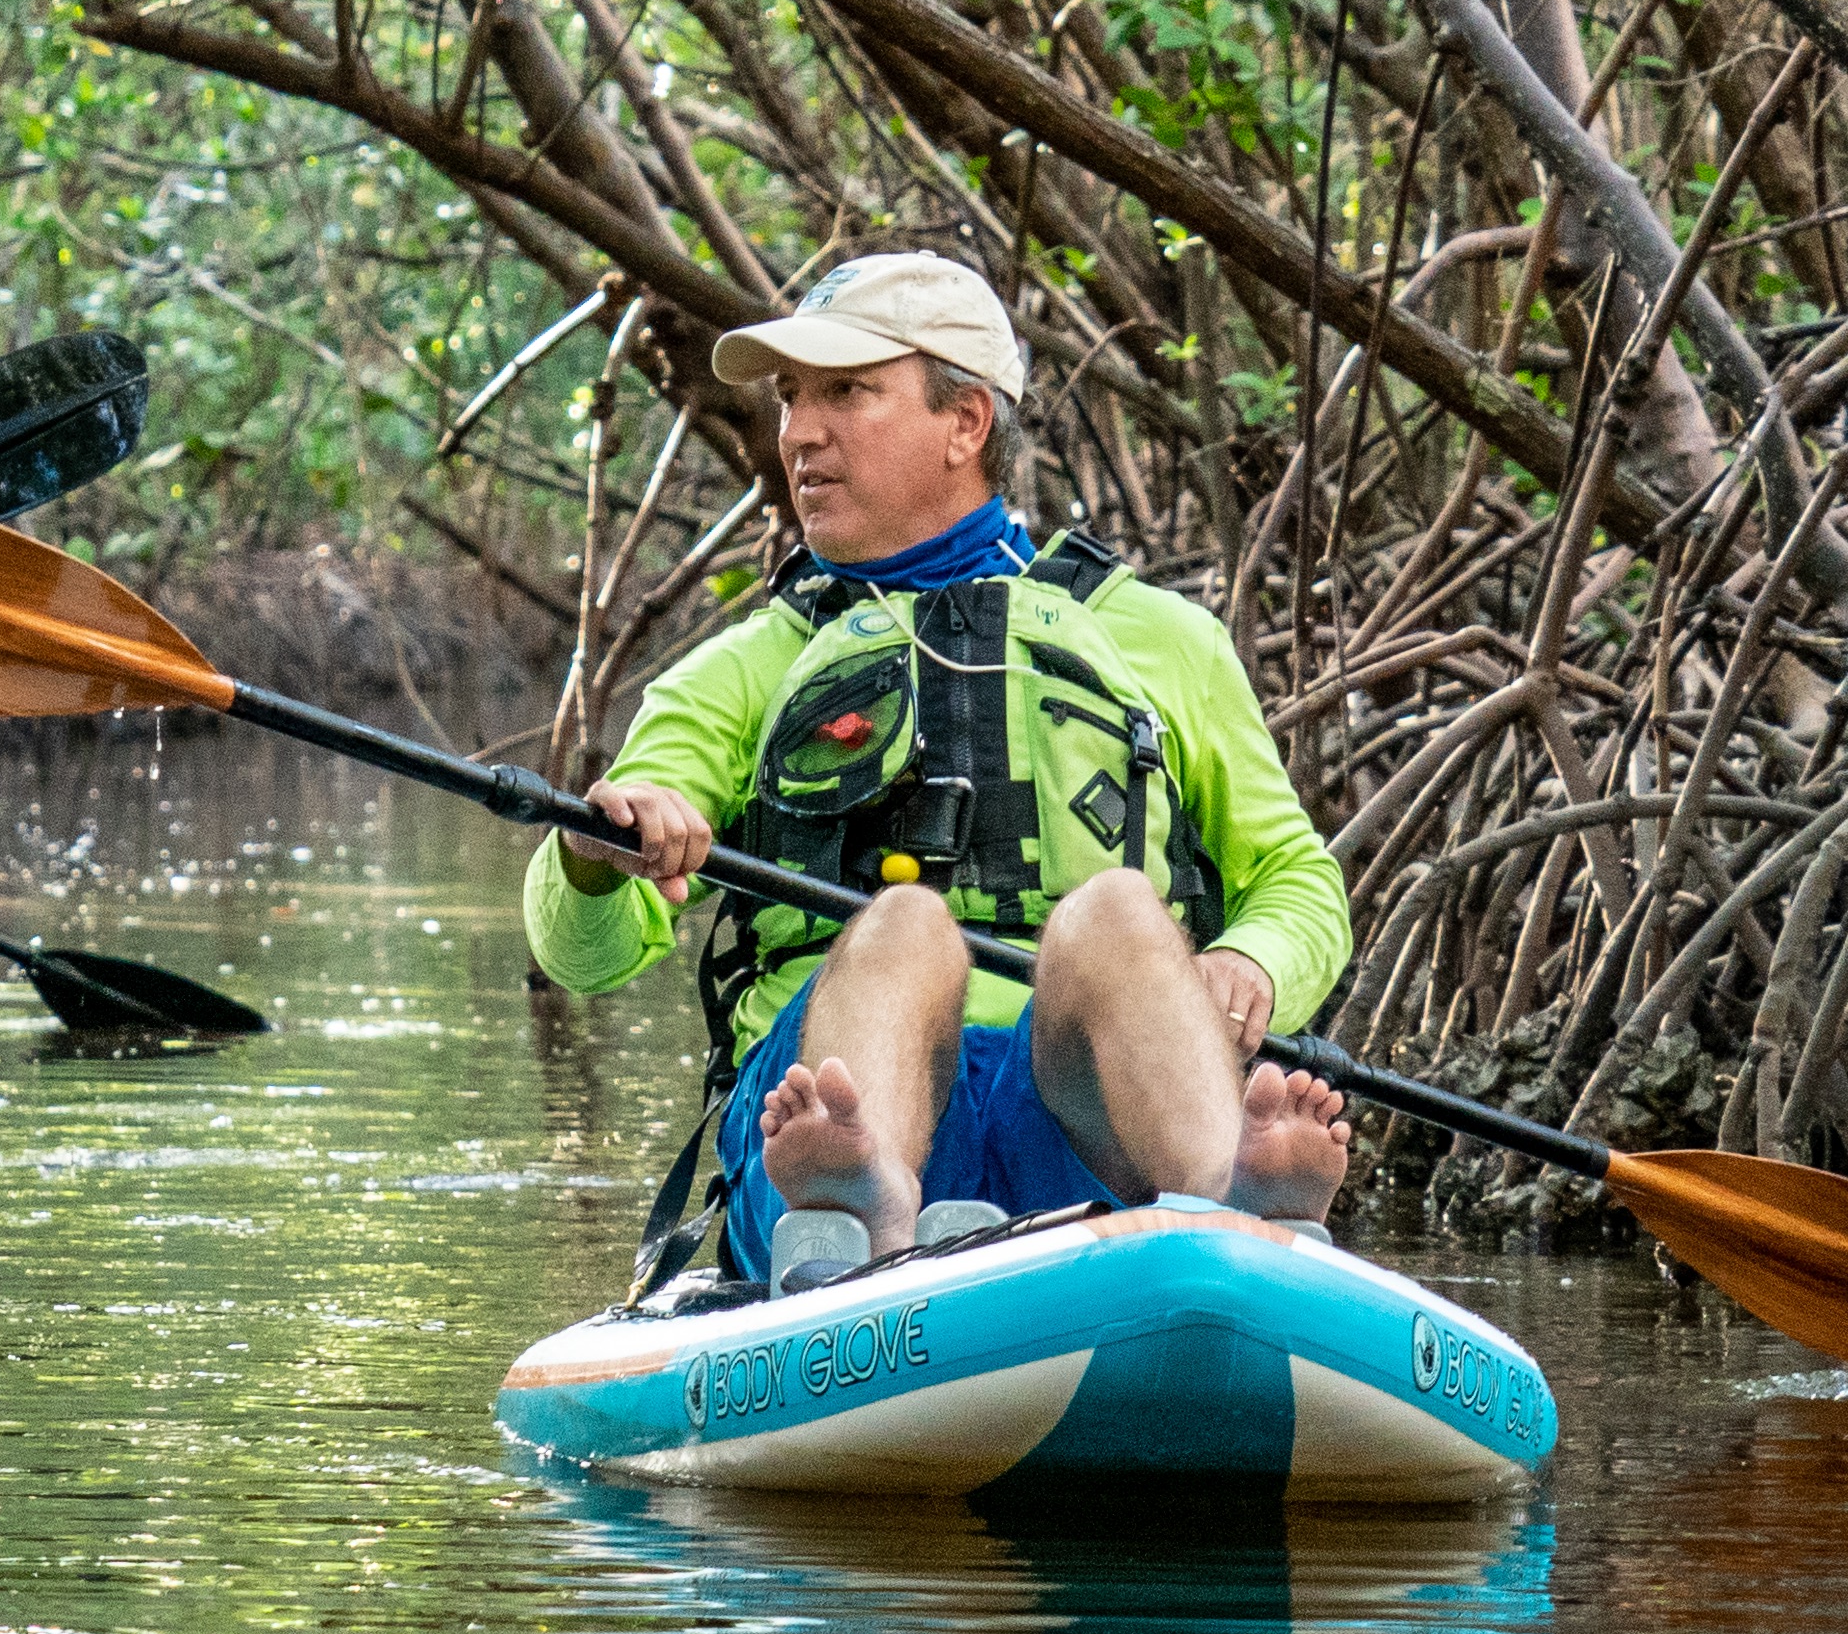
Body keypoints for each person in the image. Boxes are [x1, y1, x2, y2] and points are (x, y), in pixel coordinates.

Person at [529, 251, 1360, 1293]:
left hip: (1080, 1121)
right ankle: (860, 1202)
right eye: (791, 397)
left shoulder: (1160, 640)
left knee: (1114, 910)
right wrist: (598, 854)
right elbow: (584, 954)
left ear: (965, 422)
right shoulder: (746, 668)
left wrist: (1254, 961)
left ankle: (1220, 1201)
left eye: (846, 391)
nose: (797, 431)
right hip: (822, 1128)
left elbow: (1298, 880)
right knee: (908, 921)